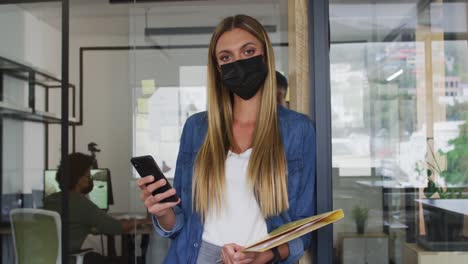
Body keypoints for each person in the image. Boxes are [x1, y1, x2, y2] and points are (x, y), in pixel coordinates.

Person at [137, 14, 316, 264]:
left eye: (248, 51)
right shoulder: (197, 128)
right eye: (226, 57)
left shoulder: (298, 129)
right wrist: (163, 211)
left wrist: (267, 254)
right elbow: (179, 224)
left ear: (265, 55)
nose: (238, 63)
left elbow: (303, 228)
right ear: (218, 69)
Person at [44, 153, 147, 264]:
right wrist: (140, 221)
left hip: (47, 258)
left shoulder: (49, 200)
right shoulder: (80, 203)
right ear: (79, 179)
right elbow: (116, 227)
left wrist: (89, 227)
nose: (90, 180)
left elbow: (69, 225)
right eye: (88, 176)